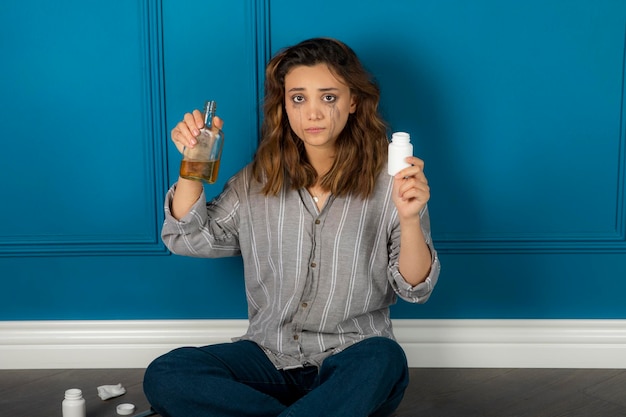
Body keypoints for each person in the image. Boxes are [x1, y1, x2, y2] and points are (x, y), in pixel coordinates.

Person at [143, 37, 441, 417]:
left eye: (328, 97)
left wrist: (410, 217)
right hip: (268, 359)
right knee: (167, 373)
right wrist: (191, 166)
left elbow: (415, 289)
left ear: (353, 102)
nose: (312, 113)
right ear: (284, 105)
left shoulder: (394, 181)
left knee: (384, 360)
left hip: (351, 361)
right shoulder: (257, 181)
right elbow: (189, 239)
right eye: (298, 98)